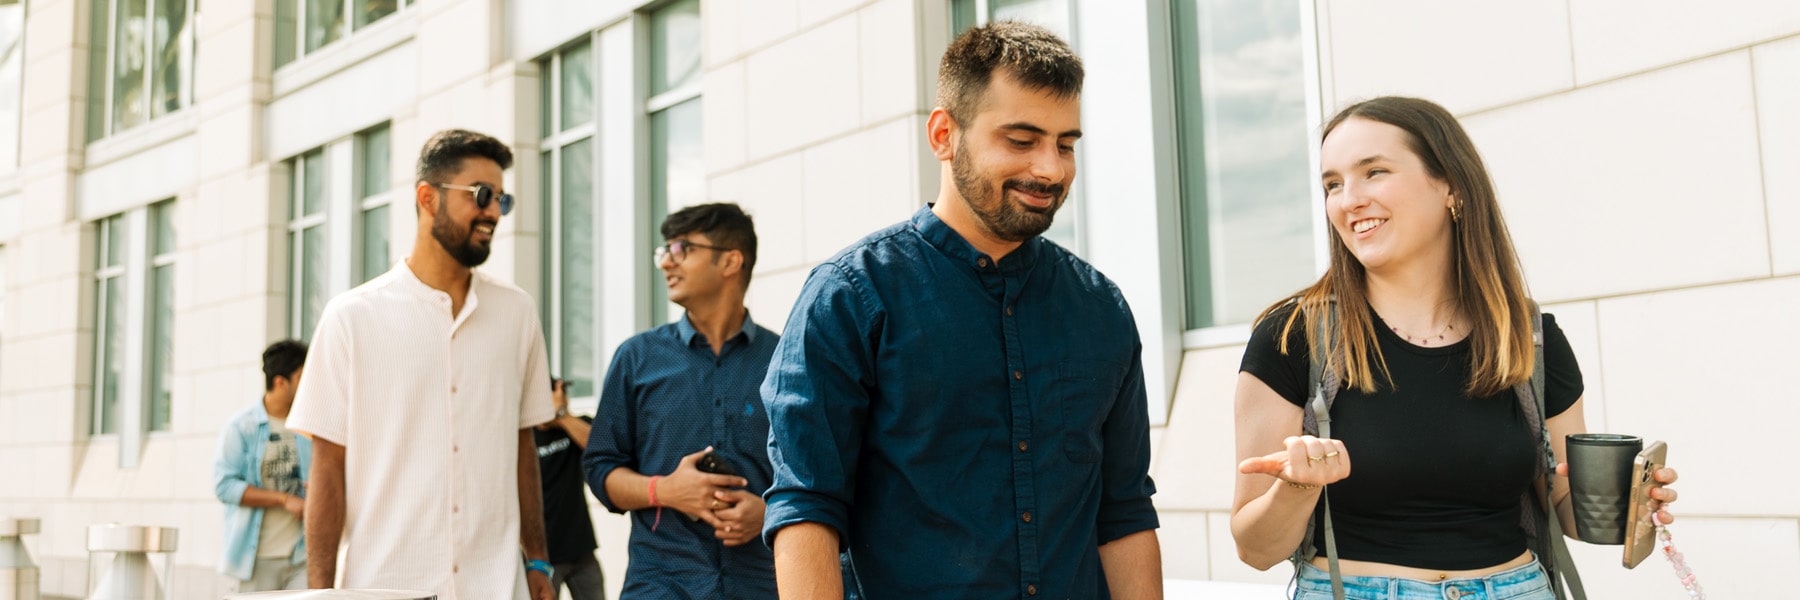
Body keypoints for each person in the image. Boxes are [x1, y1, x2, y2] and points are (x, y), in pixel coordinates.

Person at [760, 22, 1162, 600]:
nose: (1051, 168)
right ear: (944, 134)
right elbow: (806, 507)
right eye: (1021, 140)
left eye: (1066, 143)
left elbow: (1123, 511)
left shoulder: (1101, 308)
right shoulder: (851, 296)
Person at [1229, 96, 1683, 600]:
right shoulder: (1294, 336)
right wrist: (1299, 486)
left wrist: (1629, 505)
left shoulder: (1529, 336)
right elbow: (1256, 548)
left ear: (1452, 187)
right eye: (1332, 184)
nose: (1347, 199)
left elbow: (1568, 510)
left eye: (1373, 172)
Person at [288, 129, 556, 600]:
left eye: (501, 199)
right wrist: (319, 593)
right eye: (481, 195)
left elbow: (522, 444)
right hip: (384, 586)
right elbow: (327, 469)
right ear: (428, 198)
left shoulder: (517, 314)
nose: (493, 211)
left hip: (495, 585)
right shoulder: (351, 318)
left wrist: (537, 559)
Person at [582, 202, 779, 599]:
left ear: (730, 262)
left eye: (681, 249)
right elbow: (601, 469)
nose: (666, 263)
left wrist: (769, 514)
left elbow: (816, 476)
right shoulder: (637, 358)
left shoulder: (785, 360)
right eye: (664, 251)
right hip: (660, 585)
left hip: (761, 584)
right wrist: (665, 490)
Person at [213, 340, 313, 592]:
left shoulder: (308, 428)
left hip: (301, 556)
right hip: (255, 560)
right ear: (281, 382)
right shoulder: (241, 427)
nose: (309, 384)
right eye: (302, 377)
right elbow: (225, 486)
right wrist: (283, 499)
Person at [535, 377, 605, 600]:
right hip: (545, 557)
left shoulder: (574, 426)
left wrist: (562, 416)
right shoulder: (525, 437)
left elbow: (601, 447)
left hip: (582, 552)